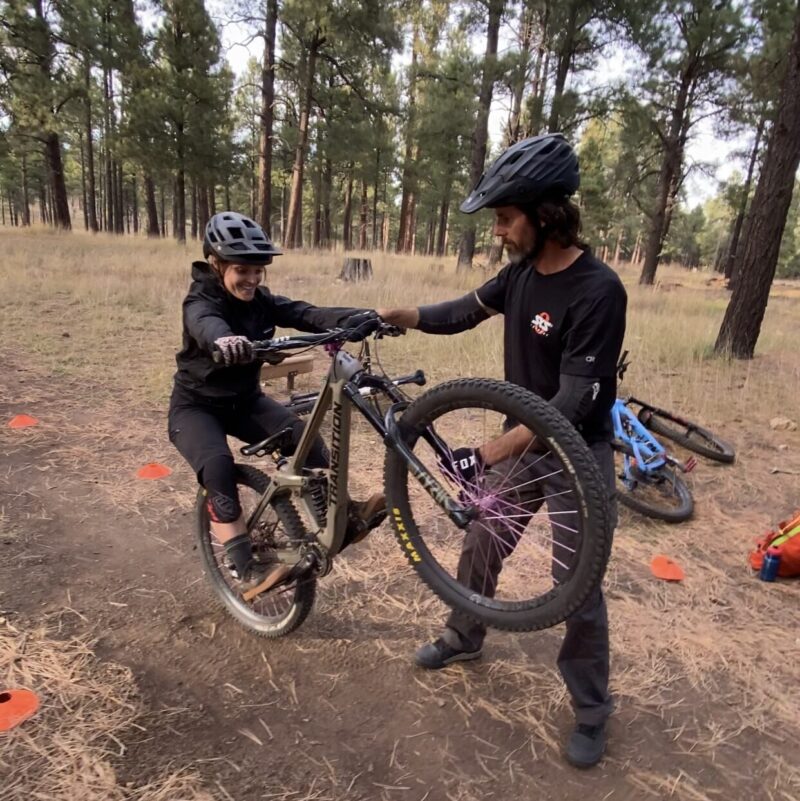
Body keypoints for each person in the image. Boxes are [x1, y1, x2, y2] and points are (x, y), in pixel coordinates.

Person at [378, 133, 626, 769]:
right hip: (525, 444)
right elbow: (462, 311)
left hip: (578, 453)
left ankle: (592, 710)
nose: (498, 231)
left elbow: (568, 403)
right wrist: (398, 315)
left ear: (547, 215)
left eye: (507, 218)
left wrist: (486, 452)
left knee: (576, 584)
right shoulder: (519, 276)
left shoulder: (598, 290)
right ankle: (464, 634)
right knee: (482, 539)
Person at [168, 211, 385, 597]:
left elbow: (305, 313)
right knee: (217, 466)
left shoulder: (261, 301)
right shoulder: (200, 300)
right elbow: (205, 322)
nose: (252, 279)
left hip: (245, 402)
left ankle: (340, 518)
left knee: (304, 439)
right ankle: (244, 567)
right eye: (241, 270)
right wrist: (225, 340)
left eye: (258, 270)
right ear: (216, 264)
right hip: (196, 408)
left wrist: (364, 318)